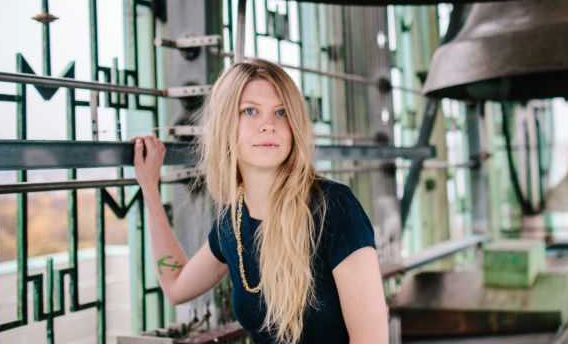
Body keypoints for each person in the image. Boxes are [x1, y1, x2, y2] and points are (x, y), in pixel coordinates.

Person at [131, 58, 389, 344]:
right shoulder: (233, 222)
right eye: (250, 111)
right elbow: (176, 286)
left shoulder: (335, 208)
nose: (268, 125)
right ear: (225, 126)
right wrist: (150, 191)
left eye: (281, 112)